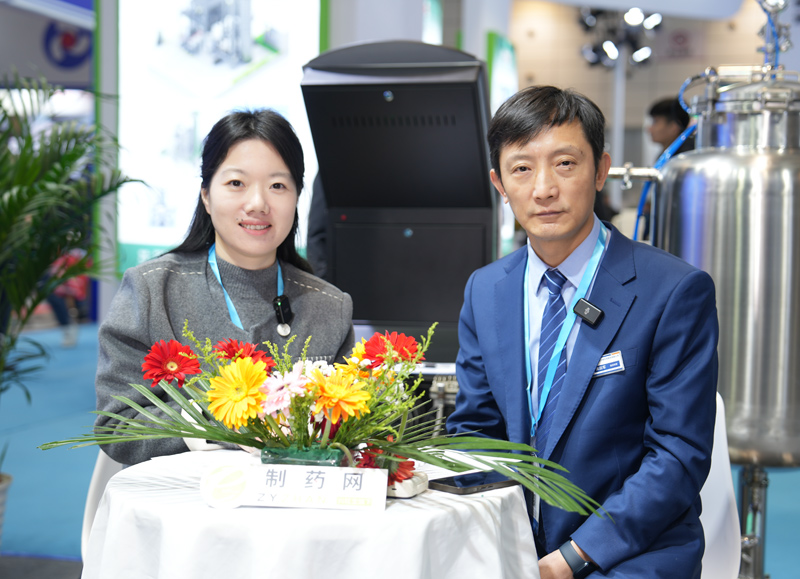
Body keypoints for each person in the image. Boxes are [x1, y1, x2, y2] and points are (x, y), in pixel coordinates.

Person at [447, 86, 718, 578]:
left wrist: (571, 559)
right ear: (499, 184)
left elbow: (678, 455)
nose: (543, 188)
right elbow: (476, 430)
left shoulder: (673, 290)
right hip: (514, 546)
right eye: (521, 168)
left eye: (565, 164)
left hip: (631, 553)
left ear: (600, 170)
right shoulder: (485, 290)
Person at [95, 109, 355, 465]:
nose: (258, 203)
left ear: (297, 198)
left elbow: (348, 427)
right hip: (186, 498)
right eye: (236, 183)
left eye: (278, 186)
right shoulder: (152, 291)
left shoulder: (329, 307)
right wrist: (214, 418)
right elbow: (117, 425)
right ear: (206, 195)